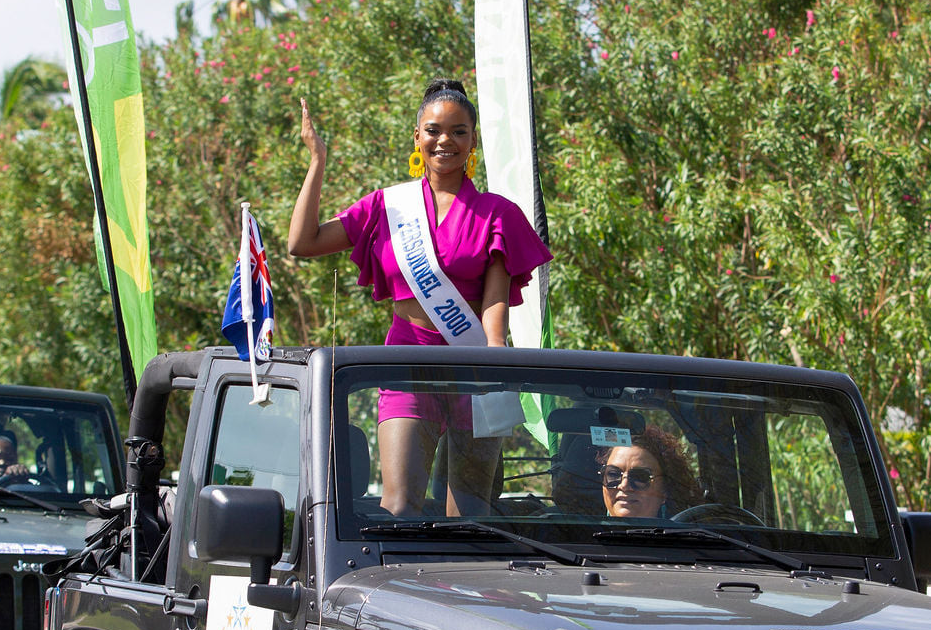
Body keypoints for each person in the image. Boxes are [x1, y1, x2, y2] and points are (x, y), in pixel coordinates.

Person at [286, 80, 551, 516]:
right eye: (433, 130)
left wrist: (494, 357)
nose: (445, 140)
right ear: (417, 137)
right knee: (399, 506)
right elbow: (303, 241)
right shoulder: (388, 207)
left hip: (473, 366)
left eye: (458, 131)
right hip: (406, 360)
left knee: (468, 512)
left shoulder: (497, 214)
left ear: (472, 140)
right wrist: (318, 162)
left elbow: (494, 302)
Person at [601, 427, 699, 519]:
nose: (624, 485)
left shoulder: (692, 534)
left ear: (664, 489)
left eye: (640, 476)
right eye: (613, 474)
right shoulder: (586, 533)